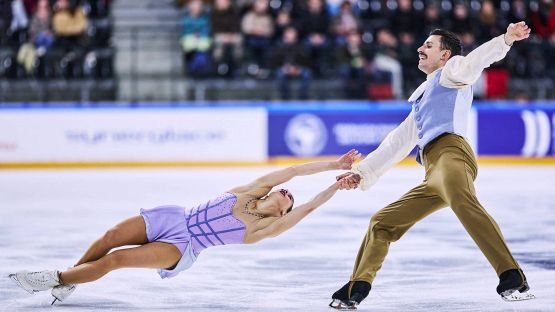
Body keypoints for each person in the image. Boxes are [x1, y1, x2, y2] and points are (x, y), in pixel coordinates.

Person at [329, 22, 533, 310]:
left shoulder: (452, 72)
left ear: (445, 55)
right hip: (432, 172)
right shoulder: (423, 96)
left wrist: (506, 39)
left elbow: (475, 61)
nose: (419, 49)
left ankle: (511, 275)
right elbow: (397, 142)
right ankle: (356, 286)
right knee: (382, 223)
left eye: (428, 46)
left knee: (463, 201)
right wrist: (361, 173)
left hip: (452, 155)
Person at [10, 150, 362, 305]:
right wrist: (335, 164)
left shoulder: (262, 231)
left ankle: (55, 278)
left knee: (116, 259)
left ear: (285, 211)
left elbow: (312, 204)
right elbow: (294, 171)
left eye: (289, 198)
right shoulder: (252, 190)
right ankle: (74, 276)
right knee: (110, 238)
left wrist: (336, 185)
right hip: (173, 216)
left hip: (183, 247)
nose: (286, 192)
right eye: (284, 191)